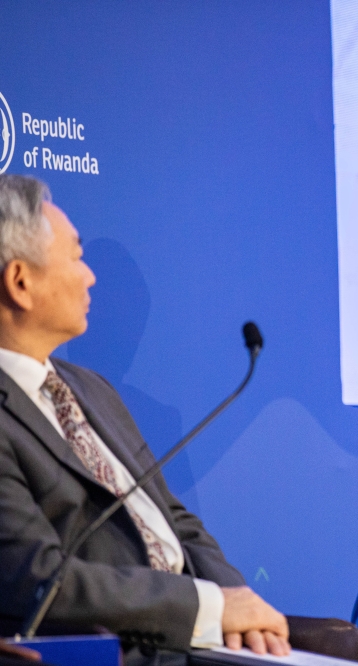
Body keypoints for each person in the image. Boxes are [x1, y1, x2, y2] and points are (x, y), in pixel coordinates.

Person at [0, 174, 290, 664]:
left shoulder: (93, 389)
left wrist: (241, 607)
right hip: (114, 651)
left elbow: (173, 518)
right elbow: (39, 577)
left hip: (200, 644)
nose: (90, 277)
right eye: (76, 257)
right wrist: (211, 607)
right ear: (20, 282)